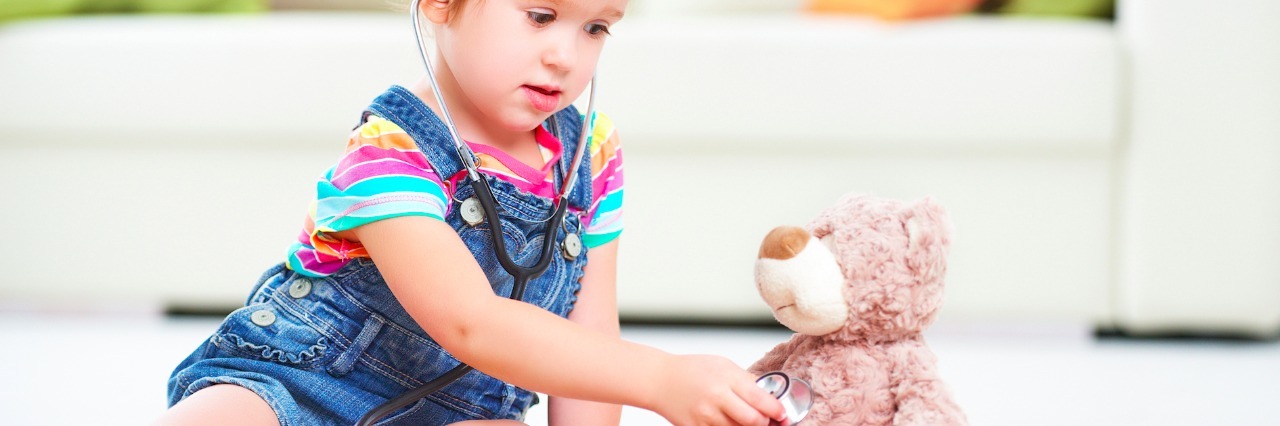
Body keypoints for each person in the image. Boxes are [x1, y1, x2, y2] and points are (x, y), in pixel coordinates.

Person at [154, 0, 786, 425]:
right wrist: (661, 380)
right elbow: (470, 324)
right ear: (440, 4)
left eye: (596, 27)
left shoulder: (590, 151)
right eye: (540, 16)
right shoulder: (391, 149)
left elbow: (591, 325)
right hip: (298, 382)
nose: (566, 56)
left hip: (461, 410)